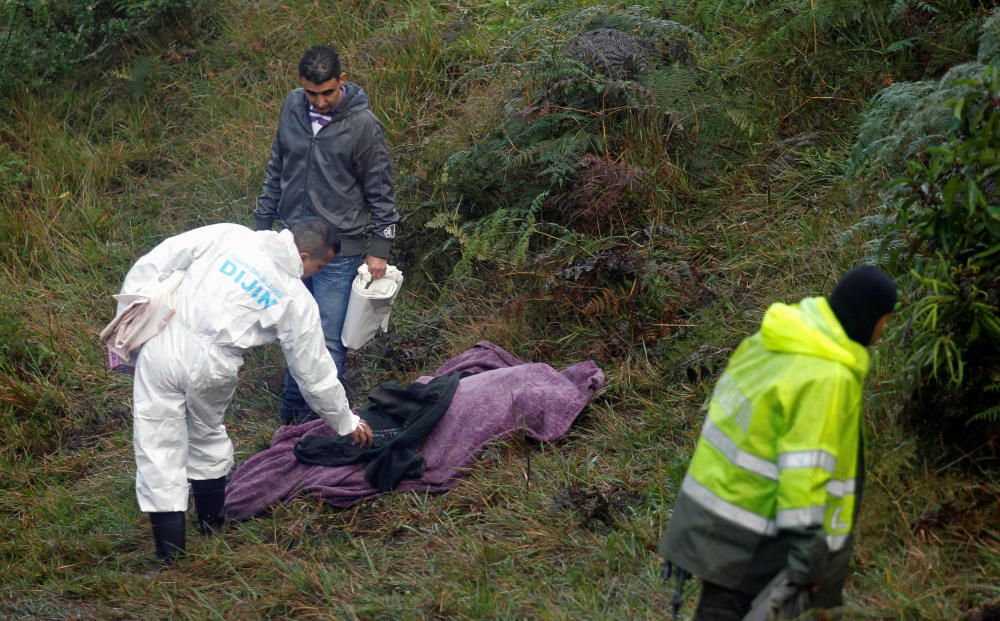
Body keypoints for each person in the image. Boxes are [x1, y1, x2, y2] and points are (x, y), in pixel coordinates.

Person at [115, 218, 374, 562]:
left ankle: (170, 555)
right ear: (303, 255)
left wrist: (132, 316)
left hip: (164, 343)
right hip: (215, 366)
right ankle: (211, 527)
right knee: (206, 435)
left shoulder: (229, 235)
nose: (316, 273)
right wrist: (345, 421)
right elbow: (314, 372)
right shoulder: (295, 298)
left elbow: (158, 259)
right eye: (319, 265)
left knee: (157, 443)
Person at [658, 266, 897, 620]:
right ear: (868, 316)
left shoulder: (780, 336)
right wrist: (808, 561)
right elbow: (806, 476)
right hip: (759, 532)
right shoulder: (827, 375)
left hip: (712, 509)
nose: (883, 331)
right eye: (884, 321)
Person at [254, 44, 401, 424]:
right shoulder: (292, 107)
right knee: (293, 331)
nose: (319, 101)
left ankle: (316, 423)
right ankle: (291, 415)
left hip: (339, 251)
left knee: (327, 338)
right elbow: (277, 167)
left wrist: (380, 247)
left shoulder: (363, 125)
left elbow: (381, 190)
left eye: (328, 92)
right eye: (311, 93)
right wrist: (260, 226)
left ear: (342, 81)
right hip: (291, 245)